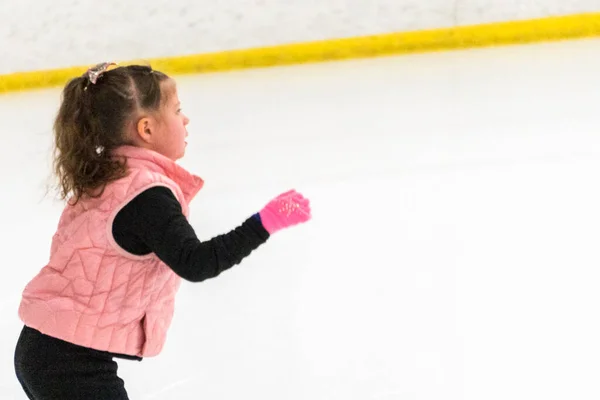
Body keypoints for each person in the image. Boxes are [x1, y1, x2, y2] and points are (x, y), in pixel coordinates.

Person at [13, 62, 311, 399]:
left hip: (48, 349)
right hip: (69, 363)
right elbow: (196, 262)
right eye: (177, 110)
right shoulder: (146, 195)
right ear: (147, 129)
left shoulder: (112, 174)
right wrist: (264, 222)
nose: (186, 120)